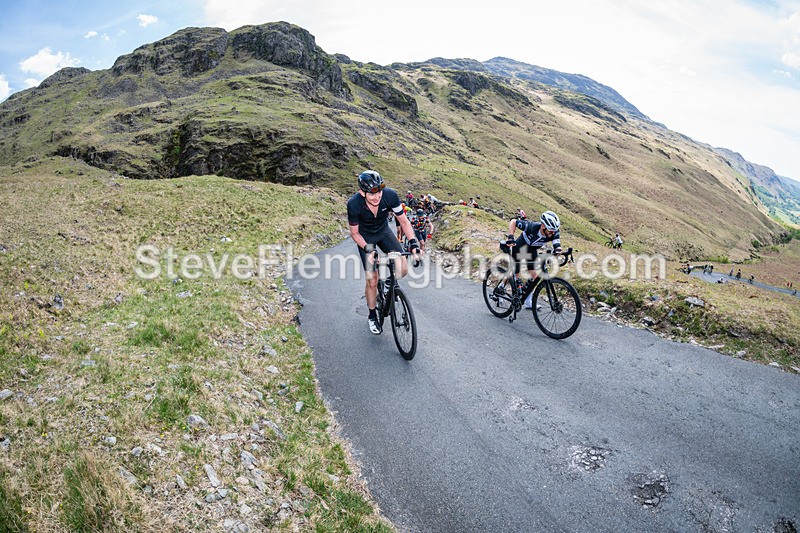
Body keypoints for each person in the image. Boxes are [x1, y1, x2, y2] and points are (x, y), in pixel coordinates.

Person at [348, 171, 421, 334]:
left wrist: (414, 242)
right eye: (372, 194)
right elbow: (354, 233)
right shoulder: (353, 204)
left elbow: (403, 221)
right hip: (365, 238)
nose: (377, 197)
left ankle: (388, 283)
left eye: (379, 191)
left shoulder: (390, 196)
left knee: (402, 267)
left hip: (383, 233)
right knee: (372, 279)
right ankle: (372, 315)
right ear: (362, 192)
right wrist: (369, 250)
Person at [505, 211, 562, 309]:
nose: (553, 233)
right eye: (551, 231)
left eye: (554, 231)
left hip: (532, 251)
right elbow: (513, 221)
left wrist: (558, 251)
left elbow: (557, 246)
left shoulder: (554, 232)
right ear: (543, 226)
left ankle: (528, 301)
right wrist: (511, 237)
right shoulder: (532, 226)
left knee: (535, 276)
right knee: (514, 274)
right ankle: (502, 287)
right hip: (519, 248)